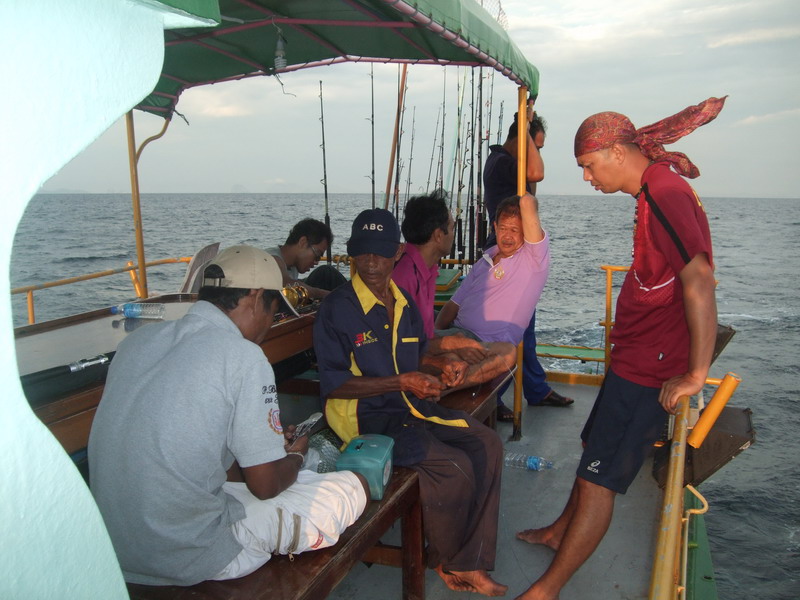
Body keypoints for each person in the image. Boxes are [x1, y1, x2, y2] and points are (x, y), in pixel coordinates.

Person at [514, 97, 724, 600]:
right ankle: (558, 530)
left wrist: (695, 375)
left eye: (588, 166)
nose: (587, 178)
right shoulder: (653, 191)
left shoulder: (666, 192)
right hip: (634, 357)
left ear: (614, 151)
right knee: (593, 451)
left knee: (600, 479)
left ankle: (548, 590)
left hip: (650, 369)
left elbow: (699, 281)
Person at [89, 245, 369, 586]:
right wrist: (294, 457)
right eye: (274, 308)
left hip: (116, 548)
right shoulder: (244, 357)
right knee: (351, 489)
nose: (271, 321)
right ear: (254, 297)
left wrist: (263, 449)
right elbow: (265, 487)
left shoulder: (137, 342)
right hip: (189, 555)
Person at [314, 209, 508, 597]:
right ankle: (452, 563)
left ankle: (470, 557)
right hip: (364, 422)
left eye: (381, 253)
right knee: (452, 466)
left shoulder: (401, 302)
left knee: (488, 444)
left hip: (408, 408)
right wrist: (402, 381)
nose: (371, 262)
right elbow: (334, 385)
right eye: (363, 253)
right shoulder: (338, 308)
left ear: (398, 252)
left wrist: (443, 366)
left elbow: (416, 354)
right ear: (352, 254)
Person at [484, 106, 573, 409]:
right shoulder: (502, 163)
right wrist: (525, 126)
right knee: (511, 330)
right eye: (537, 146)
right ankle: (491, 397)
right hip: (507, 254)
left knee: (524, 330)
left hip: (517, 253)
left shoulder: (508, 164)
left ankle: (534, 389)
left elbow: (531, 192)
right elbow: (536, 173)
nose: (539, 153)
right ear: (522, 141)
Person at [435, 192, 550, 421]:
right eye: (503, 228)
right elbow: (452, 305)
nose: (507, 236)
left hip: (484, 345)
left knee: (508, 354)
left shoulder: (533, 260)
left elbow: (528, 203)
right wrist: (433, 335)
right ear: (494, 226)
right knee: (419, 316)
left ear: (526, 232)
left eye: (515, 230)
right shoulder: (485, 259)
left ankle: (444, 387)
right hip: (455, 334)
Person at [393, 190, 517, 389]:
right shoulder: (403, 277)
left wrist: (456, 342)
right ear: (438, 235)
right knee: (460, 359)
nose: (453, 233)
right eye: (451, 227)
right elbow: (401, 346)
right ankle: (443, 390)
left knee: (507, 351)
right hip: (406, 361)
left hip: (423, 347)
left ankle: (447, 387)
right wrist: (452, 345)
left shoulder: (428, 268)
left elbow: (425, 335)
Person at [266, 218, 344, 299]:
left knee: (326, 273)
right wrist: (328, 295)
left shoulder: (293, 265)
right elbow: (286, 284)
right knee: (326, 272)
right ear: (303, 242)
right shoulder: (272, 259)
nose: (316, 262)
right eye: (317, 255)